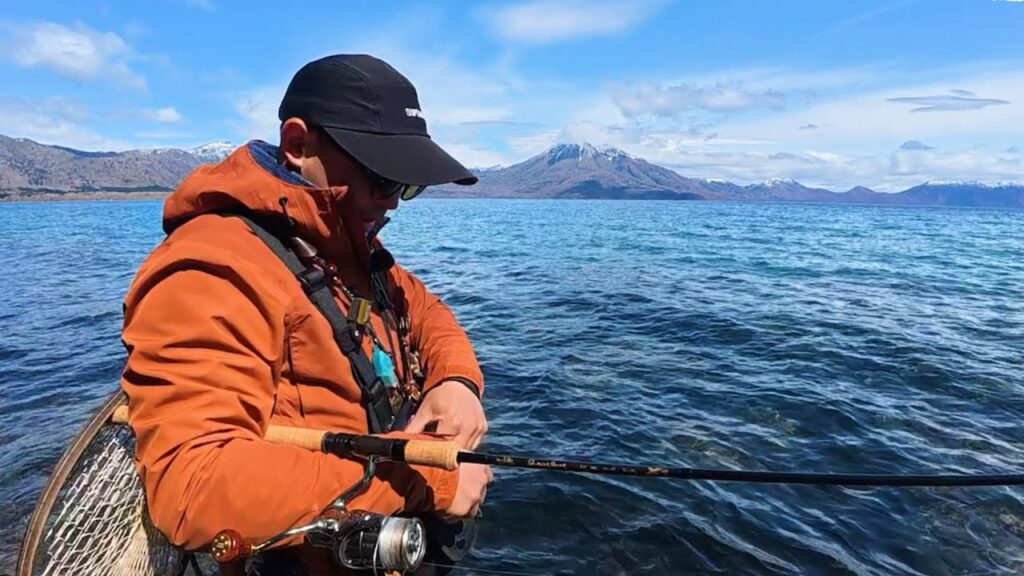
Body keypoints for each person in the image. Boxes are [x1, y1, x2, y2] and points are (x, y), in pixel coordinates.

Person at [119, 54, 492, 574]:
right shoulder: (213, 266)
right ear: (298, 145)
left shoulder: (339, 243)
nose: (394, 204)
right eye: (384, 180)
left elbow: (426, 309)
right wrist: (428, 479)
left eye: (409, 186)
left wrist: (455, 382)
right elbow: (193, 484)